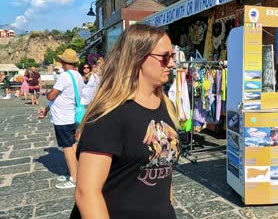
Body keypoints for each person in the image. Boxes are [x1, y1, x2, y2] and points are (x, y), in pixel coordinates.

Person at [71, 24, 179, 218]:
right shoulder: (109, 115)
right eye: (165, 57)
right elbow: (86, 193)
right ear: (138, 57)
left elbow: (165, 175)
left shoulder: (166, 105)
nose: (171, 64)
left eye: (173, 56)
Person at [42, 48, 84, 189]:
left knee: (67, 148)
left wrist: (47, 93)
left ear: (63, 61)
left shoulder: (65, 76)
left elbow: (52, 95)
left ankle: (73, 178)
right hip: (72, 115)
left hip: (63, 117)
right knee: (73, 145)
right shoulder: (77, 75)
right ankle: (77, 173)